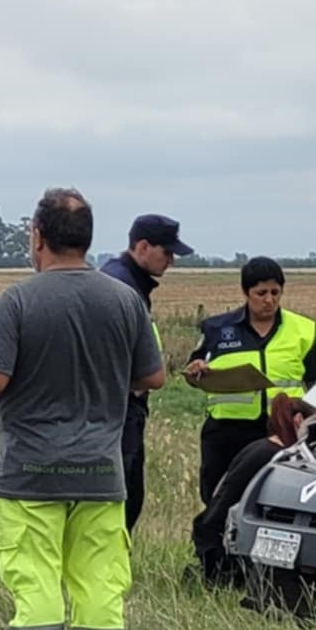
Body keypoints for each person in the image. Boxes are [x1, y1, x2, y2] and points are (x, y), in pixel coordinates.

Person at [0, 188, 164, 630]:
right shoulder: (125, 301)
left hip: (30, 471)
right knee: (100, 583)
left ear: (37, 236)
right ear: (89, 238)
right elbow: (153, 376)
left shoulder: (17, 302)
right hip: (102, 470)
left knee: (36, 583)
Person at [184, 256, 316, 504]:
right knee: (220, 501)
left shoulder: (303, 329)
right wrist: (195, 370)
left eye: (275, 292)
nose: (269, 300)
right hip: (227, 432)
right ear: (245, 292)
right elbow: (194, 373)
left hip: (281, 432)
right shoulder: (217, 330)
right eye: (261, 293)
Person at [99, 212, 192, 530]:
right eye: (166, 252)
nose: (171, 261)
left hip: (118, 408)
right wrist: (136, 383)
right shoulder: (122, 288)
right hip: (118, 410)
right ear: (141, 247)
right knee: (119, 501)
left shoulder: (124, 281)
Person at [189, 393, 310, 588]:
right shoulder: (273, 457)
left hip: (216, 539)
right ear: (299, 421)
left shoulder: (262, 449)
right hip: (223, 549)